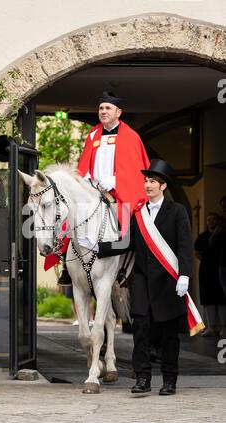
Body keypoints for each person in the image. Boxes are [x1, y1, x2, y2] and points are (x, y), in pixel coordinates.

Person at [95, 159, 201, 396]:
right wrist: (97, 246)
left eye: (152, 181)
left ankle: (170, 380)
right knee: (140, 328)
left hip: (169, 280)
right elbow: (127, 242)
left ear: (163, 186)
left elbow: (185, 246)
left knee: (168, 334)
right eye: (146, 180)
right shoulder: (139, 212)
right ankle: (142, 377)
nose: (148, 185)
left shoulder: (177, 211)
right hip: (142, 280)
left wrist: (185, 275)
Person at [56, 90, 149, 285]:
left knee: (128, 224)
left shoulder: (131, 136)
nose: (103, 111)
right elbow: (85, 163)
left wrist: (115, 181)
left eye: (108, 108)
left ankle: (125, 267)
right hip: (93, 188)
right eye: (101, 108)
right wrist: (86, 179)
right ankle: (67, 265)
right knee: (71, 216)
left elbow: (135, 169)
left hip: (118, 191)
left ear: (118, 112)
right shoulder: (93, 134)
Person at [194, 213, 226, 337]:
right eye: (208, 219)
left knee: (221, 299)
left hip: (220, 269)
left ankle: (223, 327)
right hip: (206, 271)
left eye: (213, 219)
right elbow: (197, 252)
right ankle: (211, 327)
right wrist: (207, 259)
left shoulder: (223, 235)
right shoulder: (203, 237)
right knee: (208, 299)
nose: (211, 221)